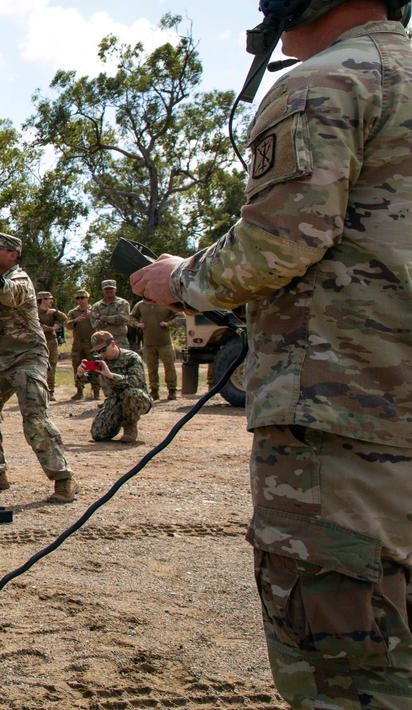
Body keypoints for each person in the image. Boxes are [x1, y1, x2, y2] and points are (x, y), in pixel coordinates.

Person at [130, 1, 412, 705]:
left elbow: (280, 242)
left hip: (348, 425)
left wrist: (182, 279)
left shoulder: (324, 82)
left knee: (347, 672)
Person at [0, 233, 75, 503]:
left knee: (34, 418)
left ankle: (63, 479)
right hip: (0, 357)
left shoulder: (19, 278)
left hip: (28, 355)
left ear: (13, 255)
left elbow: (13, 294)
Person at [76, 331, 151, 444]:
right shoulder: (101, 362)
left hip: (137, 399)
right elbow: (88, 379)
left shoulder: (132, 358)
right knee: (98, 434)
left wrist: (110, 375)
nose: (100, 354)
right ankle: (117, 421)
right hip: (114, 400)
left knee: (130, 393)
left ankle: (130, 427)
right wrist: (80, 374)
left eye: (102, 350)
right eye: (97, 351)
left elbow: (135, 381)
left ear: (113, 344)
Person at [129, 299, 182, 400]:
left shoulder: (165, 302)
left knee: (169, 367)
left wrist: (169, 323)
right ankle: (154, 391)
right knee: (151, 368)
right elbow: (131, 317)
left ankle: (172, 390)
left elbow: (180, 316)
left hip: (165, 343)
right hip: (148, 343)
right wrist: (137, 324)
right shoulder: (141, 304)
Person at [65, 289, 99, 401]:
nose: (80, 300)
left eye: (82, 298)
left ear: (87, 298)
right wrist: (75, 320)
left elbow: (101, 323)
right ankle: (79, 391)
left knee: (93, 366)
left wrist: (92, 316)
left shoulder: (94, 310)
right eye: (78, 298)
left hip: (92, 344)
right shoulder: (73, 312)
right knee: (77, 366)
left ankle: (96, 391)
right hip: (78, 343)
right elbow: (67, 325)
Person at [37, 291, 68, 401]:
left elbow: (64, 319)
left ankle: (50, 392)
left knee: (52, 366)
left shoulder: (53, 312)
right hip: (38, 343)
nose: (51, 301)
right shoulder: (34, 312)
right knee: (38, 366)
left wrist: (56, 326)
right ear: (43, 299)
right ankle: (39, 392)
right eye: (49, 299)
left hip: (51, 341)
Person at [89, 279, 131, 345]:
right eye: (106, 289)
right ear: (102, 290)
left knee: (121, 355)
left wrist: (103, 318)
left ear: (115, 290)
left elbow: (122, 319)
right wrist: (113, 319)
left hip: (120, 340)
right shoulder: (96, 305)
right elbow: (94, 324)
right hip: (102, 341)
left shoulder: (123, 303)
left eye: (111, 288)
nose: (109, 291)